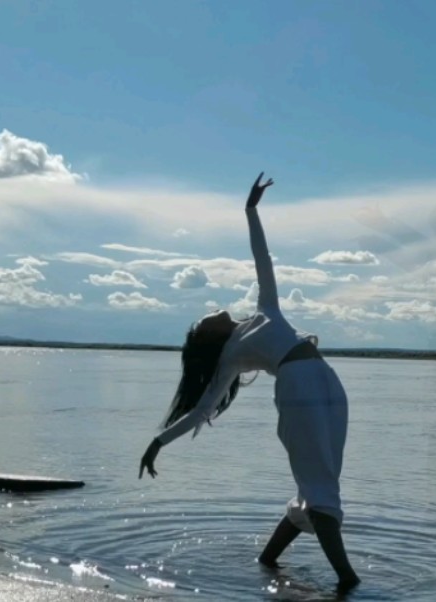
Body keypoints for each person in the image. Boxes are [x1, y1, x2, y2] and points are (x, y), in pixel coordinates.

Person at [138, 173, 360, 592]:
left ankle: (268, 559)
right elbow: (202, 410)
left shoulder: (264, 310)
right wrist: (158, 442)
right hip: (299, 389)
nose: (208, 313)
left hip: (328, 382)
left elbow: (264, 261)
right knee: (321, 485)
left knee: (321, 476)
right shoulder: (230, 357)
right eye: (202, 322)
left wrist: (251, 211)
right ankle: (347, 579)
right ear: (209, 337)